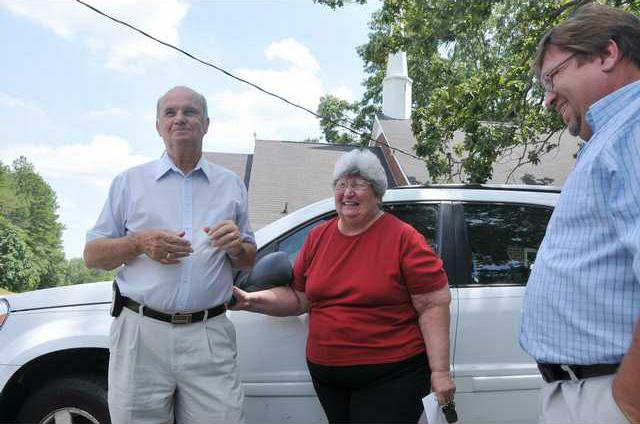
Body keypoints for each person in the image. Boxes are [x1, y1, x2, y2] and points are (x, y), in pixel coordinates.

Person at [232, 149, 455, 424]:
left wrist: (440, 372)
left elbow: (433, 304)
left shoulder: (404, 238)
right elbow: (300, 298)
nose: (348, 192)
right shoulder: (318, 237)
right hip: (329, 379)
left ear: (377, 193)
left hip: (392, 375)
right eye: (341, 184)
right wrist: (249, 300)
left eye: (358, 184)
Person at [84, 86, 256, 424]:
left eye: (190, 112)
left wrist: (237, 247)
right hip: (141, 333)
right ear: (158, 126)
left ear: (206, 124)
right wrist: (138, 243)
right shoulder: (129, 182)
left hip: (208, 333)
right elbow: (92, 256)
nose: (180, 119)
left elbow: (248, 259)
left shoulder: (231, 185)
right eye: (170, 112)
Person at [519, 4, 640, 424]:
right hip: (586, 390)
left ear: (607, 54)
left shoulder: (634, 129)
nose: (548, 97)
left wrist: (628, 401)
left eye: (553, 77)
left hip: (610, 394)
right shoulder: (612, 136)